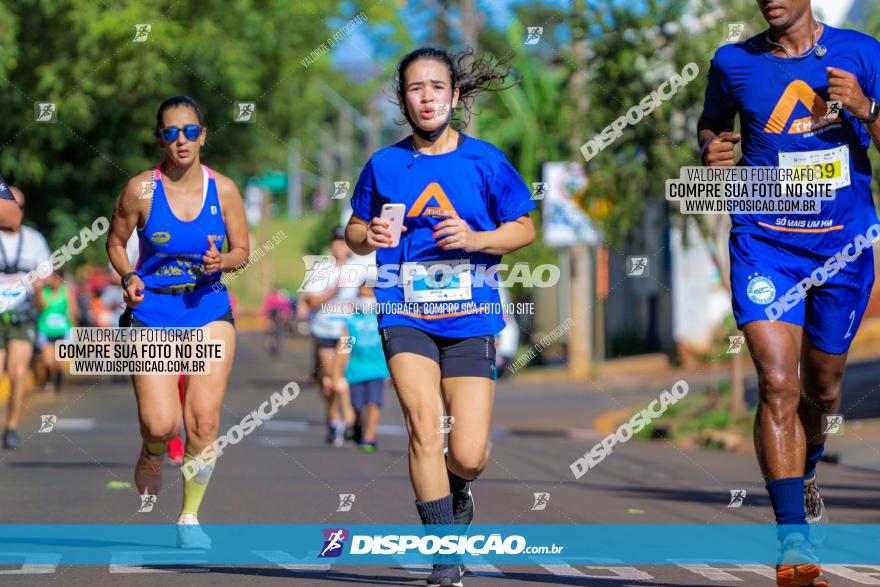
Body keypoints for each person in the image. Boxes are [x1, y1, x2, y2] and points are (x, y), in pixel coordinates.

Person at [699, 2, 880, 585]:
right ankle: (793, 544)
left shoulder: (861, 53)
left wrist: (865, 108)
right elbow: (711, 123)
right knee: (779, 383)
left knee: (823, 391)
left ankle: (804, 475)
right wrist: (711, 149)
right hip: (766, 244)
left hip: (844, 247)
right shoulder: (734, 61)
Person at [346, 47, 535, 587]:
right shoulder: (384, 164)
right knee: (423, 428)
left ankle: (457, 491)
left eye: (436, 87)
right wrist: (371, 236)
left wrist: (477, 238)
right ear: (402, 100)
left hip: (472, 313)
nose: (426, 97)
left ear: (454, 96)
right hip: (403, 309)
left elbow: (524, 227)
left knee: (469, 453)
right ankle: (442, 553)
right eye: (414, 88)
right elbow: (356, 232)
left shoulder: (486, 161)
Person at [107, 95, 249, 548]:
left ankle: (189, 517)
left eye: (190, 131)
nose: (181, 140)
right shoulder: (139, 190)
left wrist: (222, 261)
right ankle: (151, 448)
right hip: (152, 312)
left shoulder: (223, 189)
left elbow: (242, 251)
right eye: (171, 132)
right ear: (160, 139)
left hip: (207, 308)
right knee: (160, 423)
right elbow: (114, 242)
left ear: (203, 135)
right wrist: (129, 274)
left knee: (204, 422)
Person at [0, 186, 51, 449]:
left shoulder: (34, 240)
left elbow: (48, 275)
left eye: (17, 206)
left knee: (18, 371)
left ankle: (11, 427)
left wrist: (41, 284)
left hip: (22, 312)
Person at [297, 229, 359, 447]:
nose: (339, 247)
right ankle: (334, 420)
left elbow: (369, 295)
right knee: (329, 381)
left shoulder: (357, 269)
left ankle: (349, 418)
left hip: (347, 330)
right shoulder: (322, 269)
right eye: (336, 242)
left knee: (339, 375)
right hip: (324, 329)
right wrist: (333, 291)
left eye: (343, 242)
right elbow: (312, 300)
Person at [329, 285, 389, 453]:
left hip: (378, 369)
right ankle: (357, 425)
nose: (365, 300)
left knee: (373, 402)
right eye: (361, 296)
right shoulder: (351, 321)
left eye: (368, 296)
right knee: (357, 405)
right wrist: (336, 373)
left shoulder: (382, 319)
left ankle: (369, 437)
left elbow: (389, 344)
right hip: (354, 370)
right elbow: (344, 348)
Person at [34, 270, 78, 393]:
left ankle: (58, 382)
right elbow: (40, 305)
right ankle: (48, 379)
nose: (52, 281)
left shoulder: (66, 292)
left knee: (58, 361)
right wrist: (37, 292)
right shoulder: (44, 292)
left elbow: (73, 310)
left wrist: (72, 325)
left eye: (54, 278)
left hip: (62, 330)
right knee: (47, 360)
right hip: (46, 330)